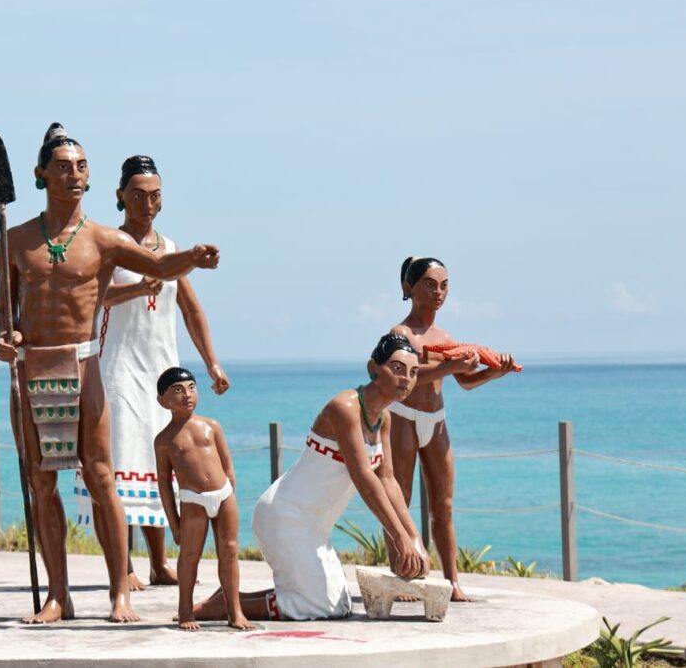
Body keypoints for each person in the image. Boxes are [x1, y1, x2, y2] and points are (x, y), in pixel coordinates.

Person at [0, 123, 220, 624]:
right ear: (40, 174)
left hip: (83, 363)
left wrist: (193, 259)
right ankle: (58, 595)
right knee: (40, 480)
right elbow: (4, 310)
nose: (73, 175)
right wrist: (5, 337)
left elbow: (159, 268)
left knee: (101, 477)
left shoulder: (104, 238)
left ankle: (121, 591)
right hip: (32, 369)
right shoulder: (15, 239)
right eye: (62, 167)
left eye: (81, 166)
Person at [192, 334, 428, 622]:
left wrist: (414, 539)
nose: (406, 379)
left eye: (413, 372)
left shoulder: (384, 419)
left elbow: (387, 479)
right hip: (285, 515)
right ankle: (220, 607)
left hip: (314, 527)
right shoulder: (346, 408)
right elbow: (363, 475)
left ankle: (231, 598)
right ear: (373, 368)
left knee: (339, 605)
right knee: (318, 606)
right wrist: (398, 536)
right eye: (397, 368)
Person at [74, 154, 229, 590]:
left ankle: (160, 563)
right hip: (118, 367)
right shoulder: (109, 243)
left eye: (155, 195)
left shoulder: (171, 247)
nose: (147, 203)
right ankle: (122, 568)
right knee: (121, 459)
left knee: (163, 459)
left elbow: (192, 309)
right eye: (138, 195)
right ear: (121, 196)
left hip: (163, 369)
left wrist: (212, 362)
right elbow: (95, 299)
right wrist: (138, 288)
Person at [388, 257, 518, 602]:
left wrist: (495, 372)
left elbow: (465, 382)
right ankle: (402, 577)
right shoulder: (400, 335)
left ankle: (452, 582)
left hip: (437, 421)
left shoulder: (445, 336)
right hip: (403, 418)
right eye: (430, 284)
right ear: (408, 287)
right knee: (399, 501)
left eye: (444, 285)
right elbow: (408, 379)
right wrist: (451, 367)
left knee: (443, 506)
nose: (438, 292)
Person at [153, 367, 252, 631]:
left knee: (229, 551)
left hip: (223, 496)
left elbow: (227, 465)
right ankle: (185, 609)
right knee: (189, 556)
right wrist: (173, 523)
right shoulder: (164, 440)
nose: (187, 395)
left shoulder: (212, 426)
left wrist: (229, 490)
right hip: (192, 500)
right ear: (163, 401)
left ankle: (235, 610)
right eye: (178, 391)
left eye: (191, 388)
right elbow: (164, 485)